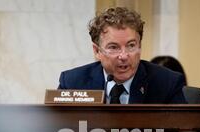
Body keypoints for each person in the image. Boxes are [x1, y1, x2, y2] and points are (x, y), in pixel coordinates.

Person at [58, 7, 187, 104]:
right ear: (97, 51)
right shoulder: (72, 83)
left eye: (131, 45)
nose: (124, 56)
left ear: (140, 46)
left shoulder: (167, 84)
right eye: (114, 47)